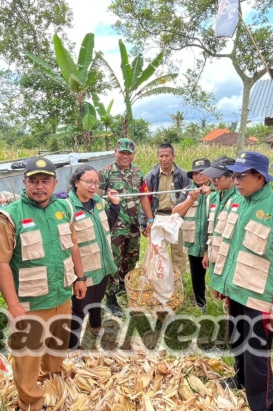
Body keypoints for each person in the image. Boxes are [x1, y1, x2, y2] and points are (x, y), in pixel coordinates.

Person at [0, 157, 87, 411]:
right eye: (33, 181)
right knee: (28, 358)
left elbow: (73, 245)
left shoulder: (63, 209)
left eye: (45, 181)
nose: (39, 186)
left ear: (55, 183)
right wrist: (14, 306)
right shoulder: (8, 217)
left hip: (62, 295)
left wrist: (80, 277)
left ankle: (53, 383)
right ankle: (31, 402)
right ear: (25, 183)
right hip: (30, 303)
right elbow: (0, 264)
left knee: (57, 345)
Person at [208, 151, 273, 411]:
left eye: (241, 176)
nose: (235, 181)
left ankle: (262, 404)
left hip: (260, 298)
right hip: (236, 289)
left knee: (257, 354)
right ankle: (240, 380)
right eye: (234, 175)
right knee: (237, 340)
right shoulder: (237, 201)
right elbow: (230, 246)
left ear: (260, 177)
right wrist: (222, 285)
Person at [66, 165, 121, 349]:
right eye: (88, 182)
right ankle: (72, 347)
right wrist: (76, 276)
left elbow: (107, 226)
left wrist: (115, 205)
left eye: (96, 182)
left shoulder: (98, 202)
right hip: (83, 270)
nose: (92, 186)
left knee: (97, 301)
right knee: (79, 309)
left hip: (102, 265)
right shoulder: (68, 208)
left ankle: (96, 328)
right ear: (76, 182)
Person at [98, 138, 153, 316]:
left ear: (134, 154)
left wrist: (150, 220)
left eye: (129, 153)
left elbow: (143, 196)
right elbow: (97, 199)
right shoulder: (105, 173)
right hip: (113, 227)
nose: (125, 156)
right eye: (122, 152)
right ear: (115, 152)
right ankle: (111, 300)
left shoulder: (138, 173)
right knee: (113, 261)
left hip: (133, 226)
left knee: (130, 259)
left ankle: (123, 286)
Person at [171, 158, 211, 310]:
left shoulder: (218, 189)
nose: (198, 176)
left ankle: (224, 303)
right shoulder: (187, 190)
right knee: (196, 275)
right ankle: (201, 303)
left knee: (217, 273)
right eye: (195, 173)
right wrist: (191, 199)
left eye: (202, 172)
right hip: (194, 240)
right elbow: (175, 213)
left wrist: (210, 195)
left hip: (213, 241)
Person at [144, 143, 190, 274]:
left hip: (176, 217)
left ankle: (177, 283)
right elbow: (145, 200)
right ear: (157, 157)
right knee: (157, 253)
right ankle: (160, 283)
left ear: (173, 156)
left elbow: (189, 198)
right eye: (161, 156)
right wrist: (146, 221)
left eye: (167, 156)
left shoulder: (183, 175)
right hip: (158, 217)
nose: (164, 159)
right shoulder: (150, 176)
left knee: (179, 253)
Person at [200, 155, 239, 272]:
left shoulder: (240, 199)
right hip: (214, 253)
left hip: (231, 257)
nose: (214, 181)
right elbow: (208, 227)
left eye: (218, 177)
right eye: (212, 178)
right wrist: (206, 252)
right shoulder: (212, 197)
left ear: (231, 177)